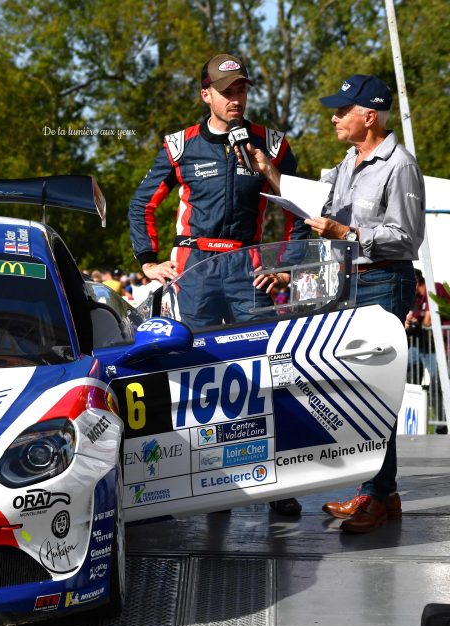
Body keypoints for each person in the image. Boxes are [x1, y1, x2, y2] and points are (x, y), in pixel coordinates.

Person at [128, 53, 307, 516]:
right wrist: (148, 262)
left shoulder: (271, 143)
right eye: (226, 91)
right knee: (196, 374)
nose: (235, 99)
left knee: (266, 371)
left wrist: (287, 267)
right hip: (195, 266)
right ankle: (207, 483)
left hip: (249, 264)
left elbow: (300, 208)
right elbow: (141, 204)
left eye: (241, 90)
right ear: (205, 93)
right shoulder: (179, 145)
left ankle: (278, 483)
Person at [296, 74, 424, 533]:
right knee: (361, 388)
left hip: (383, 282)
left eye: (341, 110)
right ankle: (382, 494)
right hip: (351, 283)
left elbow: (407, 236)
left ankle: (375, 494)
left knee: (375, 390)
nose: (333, 117)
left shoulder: (400, 166)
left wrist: (347, 233)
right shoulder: (349, 160)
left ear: (368, 116)